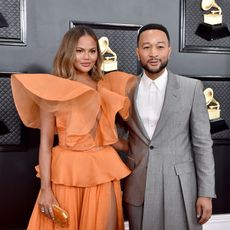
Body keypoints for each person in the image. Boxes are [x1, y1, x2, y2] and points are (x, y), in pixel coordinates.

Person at [10, 25, 136, 230]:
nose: (87, 57)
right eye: (79, 51)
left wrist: (139, 147)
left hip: (102, 171)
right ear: (68, 52)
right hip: (67, 172)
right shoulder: (53, 89)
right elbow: (45, 145)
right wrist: (45, 189)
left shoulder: (105, 86)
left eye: (92, 51)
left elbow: (109, 137)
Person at [121, 23, 216, 230]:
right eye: (146, 47)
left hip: (181, 187)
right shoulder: (124, 90)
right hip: (138, 184)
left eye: (160, 46)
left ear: (169, 51)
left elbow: (202, 144)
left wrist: (206, 192)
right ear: (138, 52)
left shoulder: (191, 88)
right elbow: (116, 136)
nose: (153, 53)